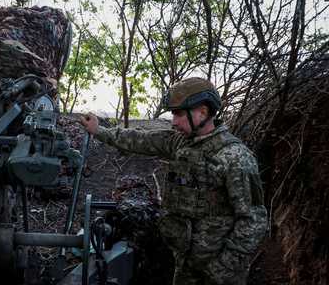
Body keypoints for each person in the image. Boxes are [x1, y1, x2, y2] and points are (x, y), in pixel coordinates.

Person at [80, 77, 268, 285]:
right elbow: (140, 140)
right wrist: (99, 130)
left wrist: (223, 267)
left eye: (179, 113)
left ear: (203, 112)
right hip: (185, 263)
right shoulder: (180, 142)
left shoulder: (235, 158)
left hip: (218, 273)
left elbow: (254, 220)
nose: (174, 121)